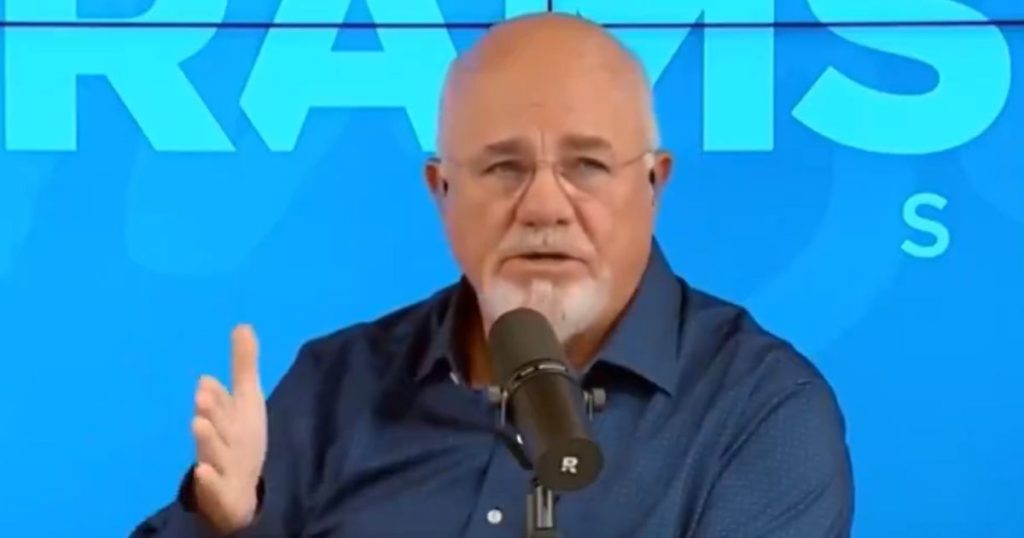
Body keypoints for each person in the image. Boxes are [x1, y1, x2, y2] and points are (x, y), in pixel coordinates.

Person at [131, 12, 853, 538]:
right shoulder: (337, 387)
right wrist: (225, 522)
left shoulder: (760, 411)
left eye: (587, 165)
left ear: (653, 184)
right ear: (441, 191)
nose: (544, 206)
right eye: (504, 167)